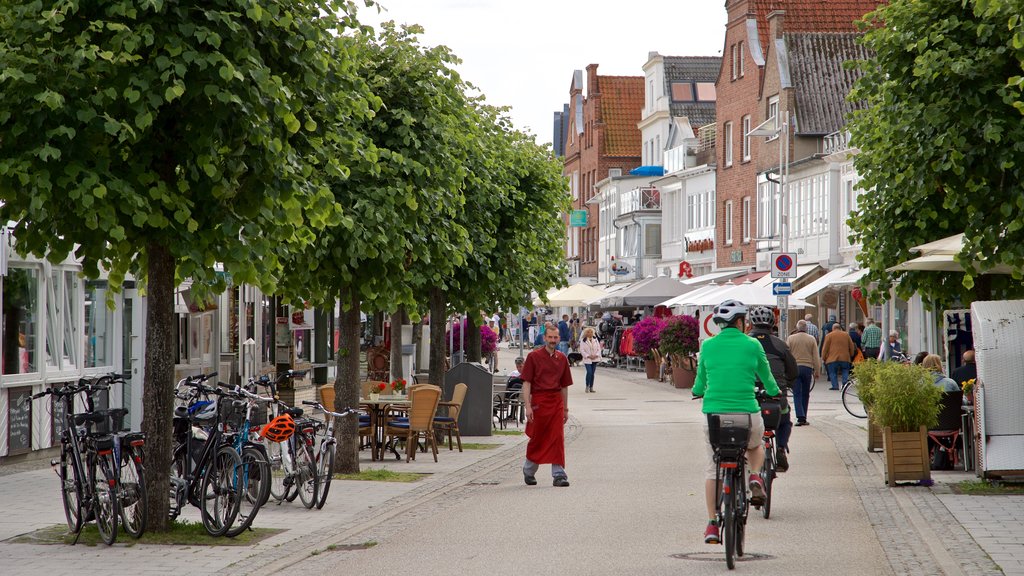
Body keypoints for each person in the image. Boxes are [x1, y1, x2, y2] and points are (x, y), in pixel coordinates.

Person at [692, 300, 780, 544]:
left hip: (714, 415)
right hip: (747, 413)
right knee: (754, 445)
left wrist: (697, 390)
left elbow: (699, 383)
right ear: (741, 322)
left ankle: (711, 524)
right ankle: (754, 476)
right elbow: (767, 376)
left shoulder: (708, 346)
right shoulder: (752, 345)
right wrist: (774, 391)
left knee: (713, 469)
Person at [521, 322, 573, 487]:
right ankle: (529, 470)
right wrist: (527, 406)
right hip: (539, 402)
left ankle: (559, 474)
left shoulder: (562, 358)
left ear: (559, 338)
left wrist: (565, 408)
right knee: (538, 438)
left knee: (557, 437)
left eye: (555, 337)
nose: (553, 340)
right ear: (544, 338)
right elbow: (526, 383)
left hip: (556, 401)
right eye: (550, 337)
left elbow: (564, 386)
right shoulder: (533, 357)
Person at [747, 306, 797, 472]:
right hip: (776, 396)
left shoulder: (745, 343)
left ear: (750, 323)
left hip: (751, 395)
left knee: (747, 423)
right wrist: (787, 382)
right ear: (773, 323)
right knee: (784, 421)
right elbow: (793, 371)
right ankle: (781, 447)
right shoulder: (781, 345)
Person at [787, 319, 821, 427]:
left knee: (796, 393)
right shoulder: (811, 339)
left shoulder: (791, 338)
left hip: (795, 368)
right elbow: (816, 356)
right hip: (807, 368)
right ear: (806, 328)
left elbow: (786, 354)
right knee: (806, 393)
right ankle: (804, 416)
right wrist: (817, 370)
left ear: (797, 328)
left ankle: (800, 416)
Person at [821, 323, 856, 390]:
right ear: (840, 328)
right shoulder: (846, 335)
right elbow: (851, 346)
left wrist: (823, 357)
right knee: (845, 370)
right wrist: (851, 354)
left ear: (833, 328)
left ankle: (835, 386)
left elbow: (825, 348)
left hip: (832, 358)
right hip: (845, 357)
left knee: (832, 372)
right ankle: (845, 383)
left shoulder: (829, 335)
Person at [579, 327, 601, 393]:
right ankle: (587, 386)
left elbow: (599, 348)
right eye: (588, 332)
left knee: (592, 373)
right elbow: (582, 350)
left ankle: (591, 387)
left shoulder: (595, 339)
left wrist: (596, 355)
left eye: (591, 332)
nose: (590, 333)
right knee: (589, 372)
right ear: (586, 333)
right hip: (587, 359)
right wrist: (588, 356)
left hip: (595, 358)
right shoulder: (583, 340)